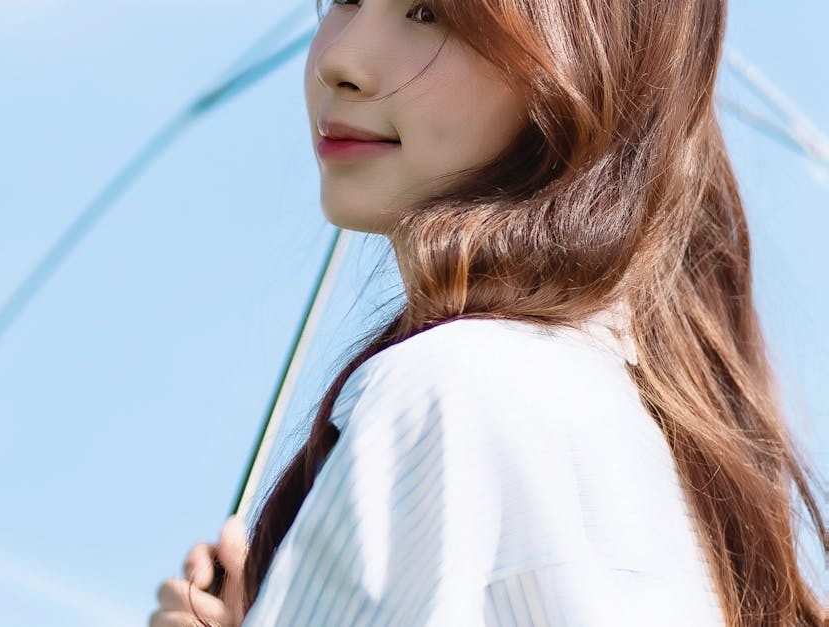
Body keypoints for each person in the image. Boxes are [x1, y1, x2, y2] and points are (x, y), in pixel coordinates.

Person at [150, 0, 828, 625]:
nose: (340, 61)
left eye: (429, 12)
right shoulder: (660, 450)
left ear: (585, 54)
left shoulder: (443, 394)